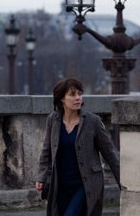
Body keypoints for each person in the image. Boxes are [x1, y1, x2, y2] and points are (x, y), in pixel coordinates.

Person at [36, 78, 120, 216]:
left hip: (85, 185)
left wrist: (123, 182)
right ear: (62, 98)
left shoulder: (92, 121)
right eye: (72, 94)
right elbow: (47, 151)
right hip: (60, 185)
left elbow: (110, 153)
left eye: (79, 94)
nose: (77, 98)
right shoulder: (53, 120)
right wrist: (41, 177)